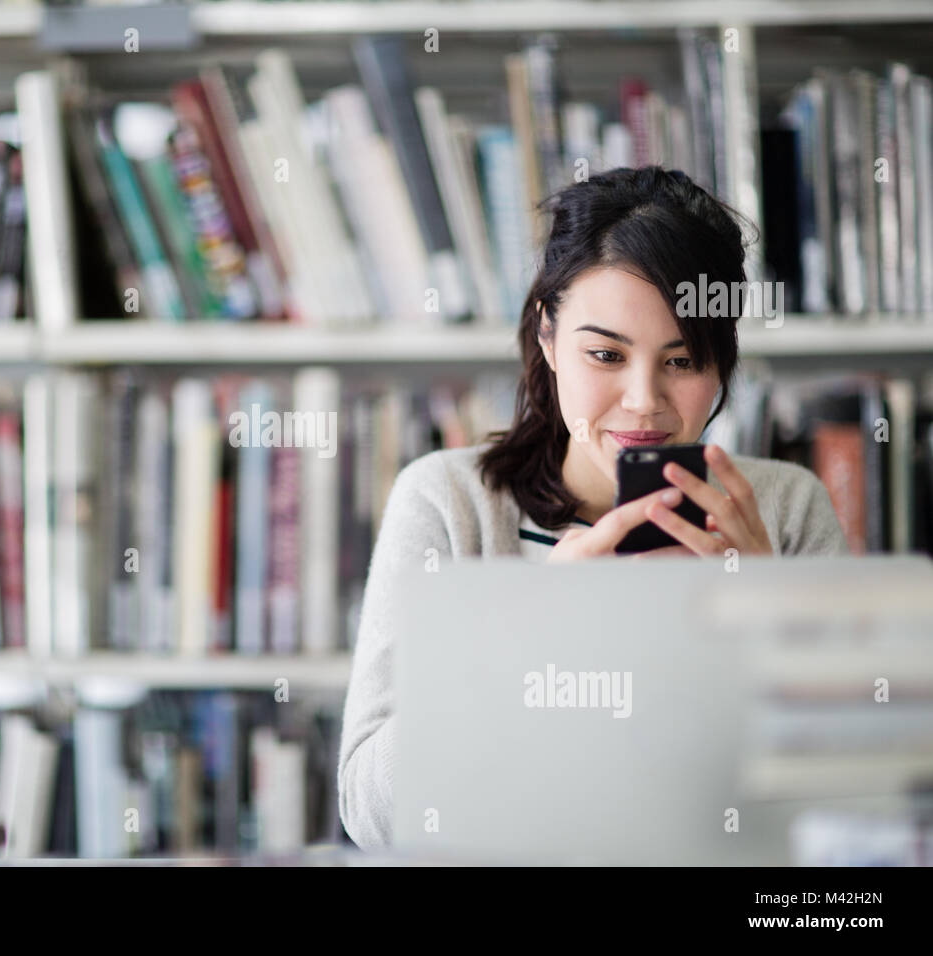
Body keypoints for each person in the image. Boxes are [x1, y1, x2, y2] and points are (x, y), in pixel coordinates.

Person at [336, 166, 848, 850]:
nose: (644, 400)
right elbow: (373, 817)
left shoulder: (783, 512)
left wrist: (767, 641)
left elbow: (836, 821)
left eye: (683, 359)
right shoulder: (449, 503)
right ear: (548, 338)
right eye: (606, 353)